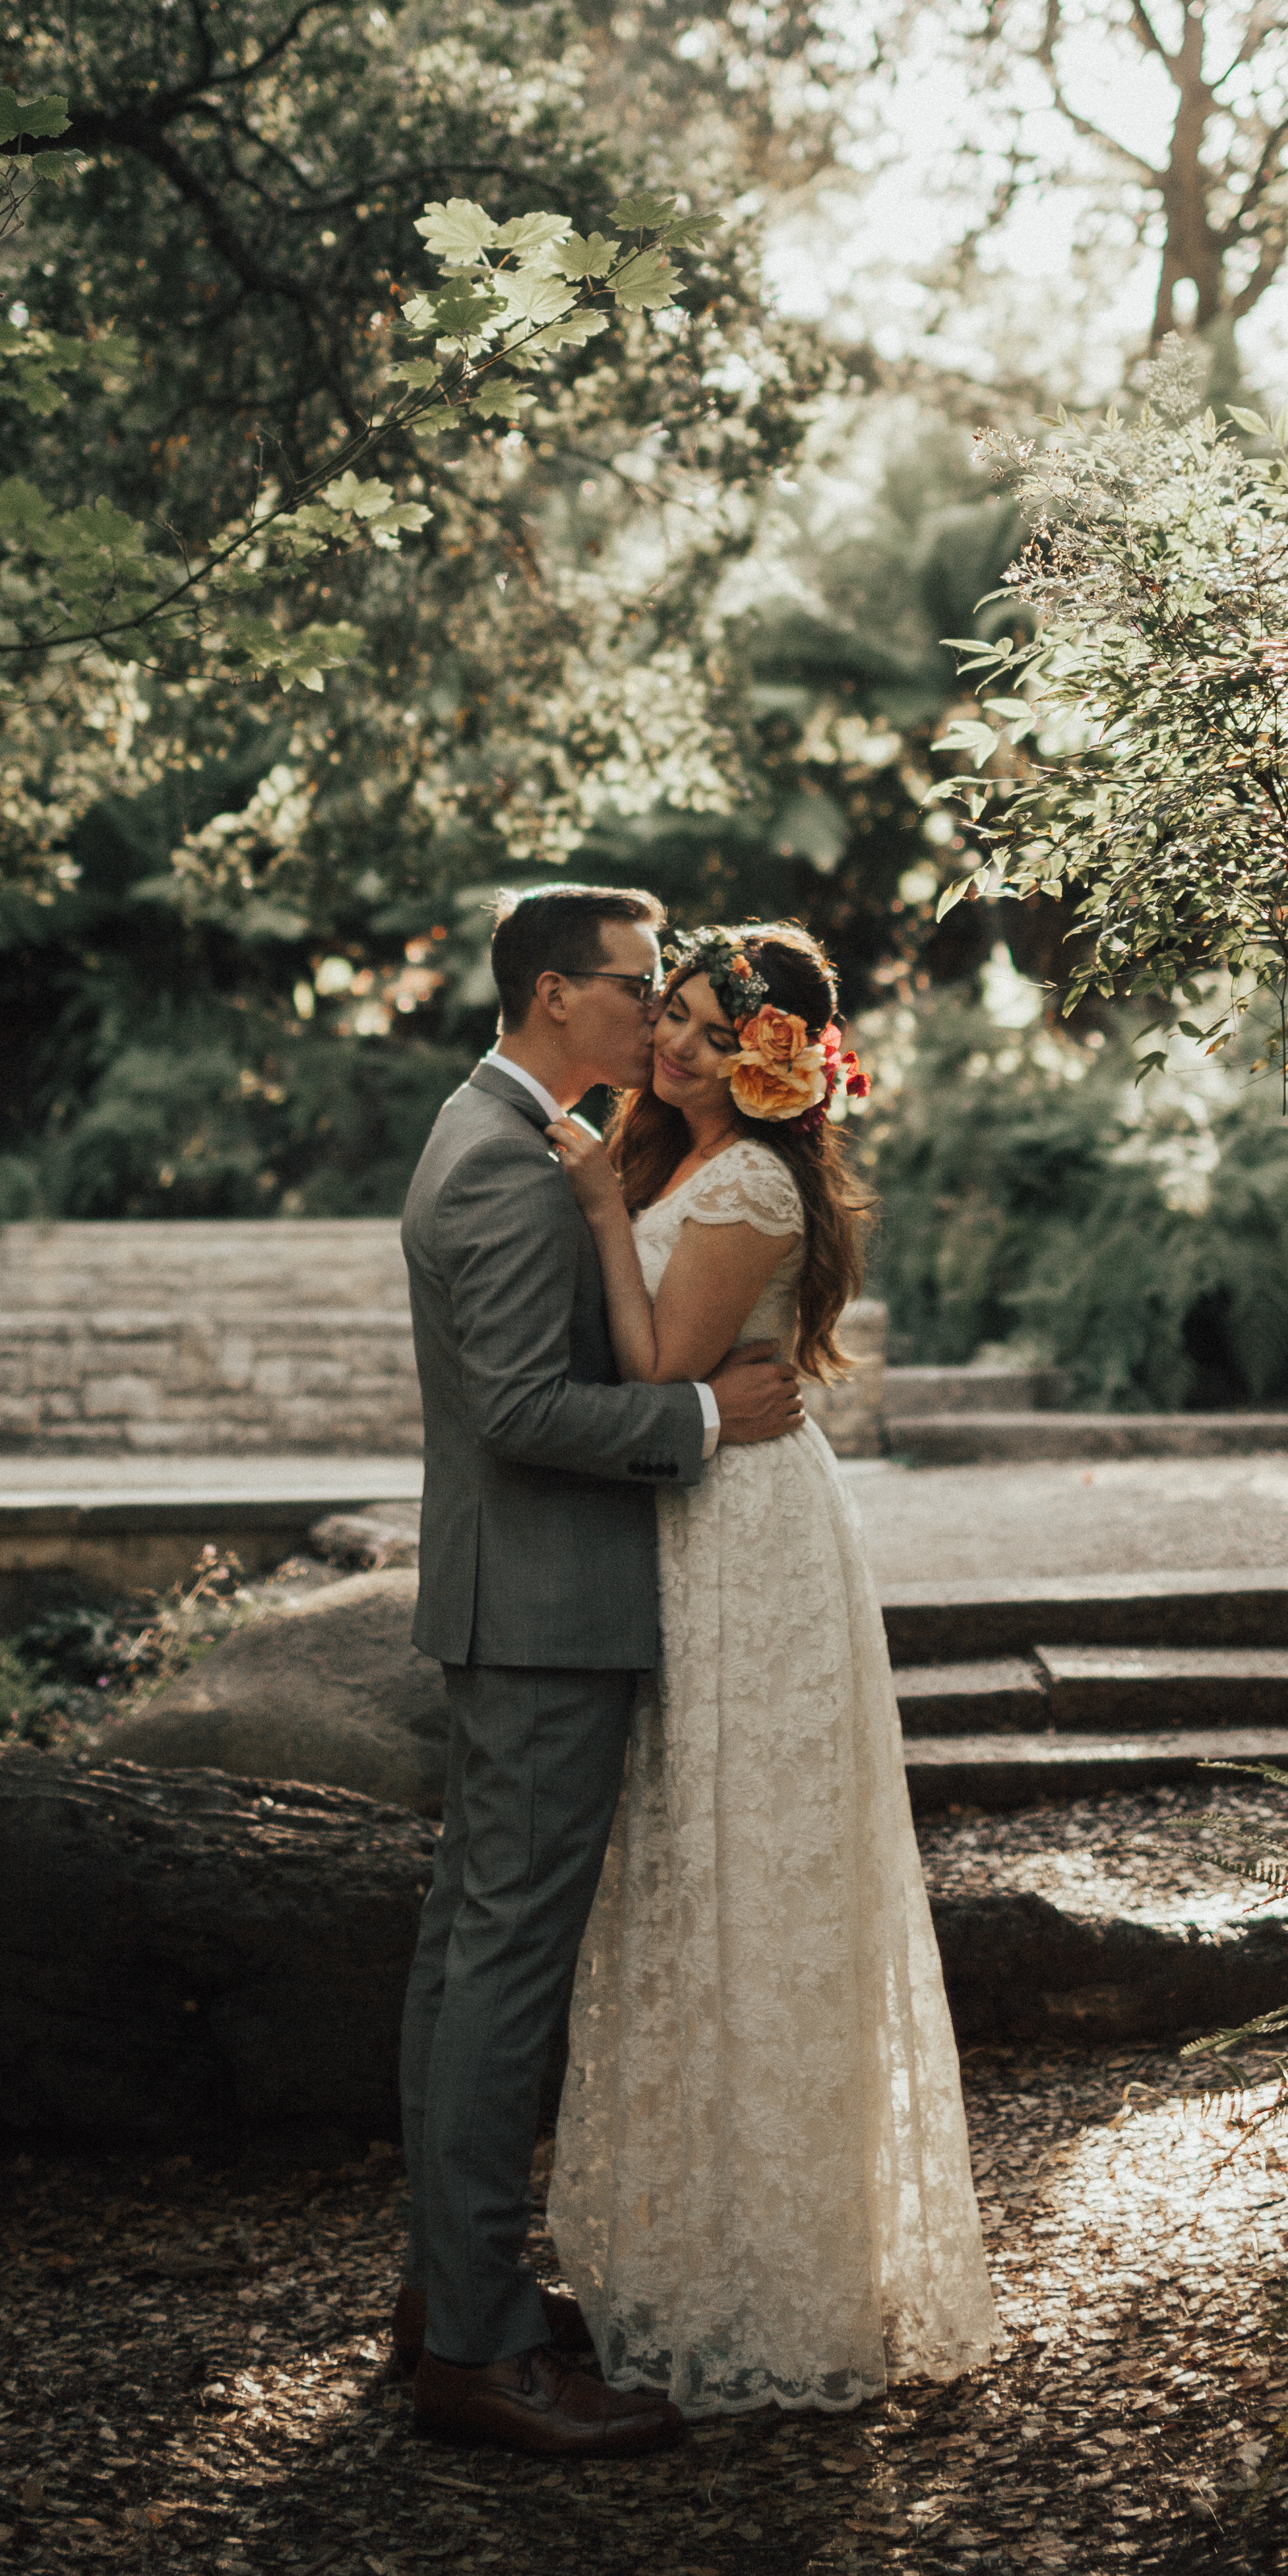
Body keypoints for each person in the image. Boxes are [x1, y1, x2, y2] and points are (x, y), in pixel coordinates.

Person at [543, 920, 1002, 2419]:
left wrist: (605, 1209)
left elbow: (663, 1369)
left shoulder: (736, 1181)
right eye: (665, 1015)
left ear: (771, 1056)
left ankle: (780, 2279)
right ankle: (679, 2260)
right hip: (685, 1527)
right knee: (688, 1873)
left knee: (760, 1875)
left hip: (744, 1543)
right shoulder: (673, 1153)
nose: (671, 1044)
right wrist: (619, 1181)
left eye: (701, 1026)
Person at [394, 882, 811, 2461]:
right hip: (547, 1609)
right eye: (641, 987)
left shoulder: (512, 1133)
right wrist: (705, 1423)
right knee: (504, 1974)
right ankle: (482, 2352)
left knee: (466, 1962)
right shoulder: (503, 1165)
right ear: (559, 994)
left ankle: (451, 2299)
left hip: (523, 1602)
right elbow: (517, 1409)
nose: (660, 1013)